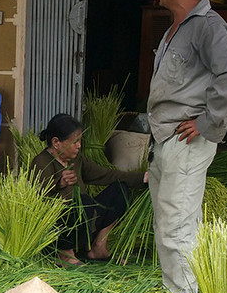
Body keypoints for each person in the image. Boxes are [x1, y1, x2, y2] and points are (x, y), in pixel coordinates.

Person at [146, 0, 227, 293]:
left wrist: (208, 122)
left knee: (177, 230)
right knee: (168, 225)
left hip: (185, 141)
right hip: (165, 140)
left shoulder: (208, 27)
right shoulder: (176, 28)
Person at [28, 113, 147, 265]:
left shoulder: (77, 159)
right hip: (58, 230)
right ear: (56, 142)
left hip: (84, 220)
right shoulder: (41, 162)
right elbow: (36, 199)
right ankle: (64, 253)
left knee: (119, 191)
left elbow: (105, 175)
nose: (79, 146)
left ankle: (98, 247)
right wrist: (58, 183)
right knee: (83, 202)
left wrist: (141, 178)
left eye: (80, 141)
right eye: (74, 142)